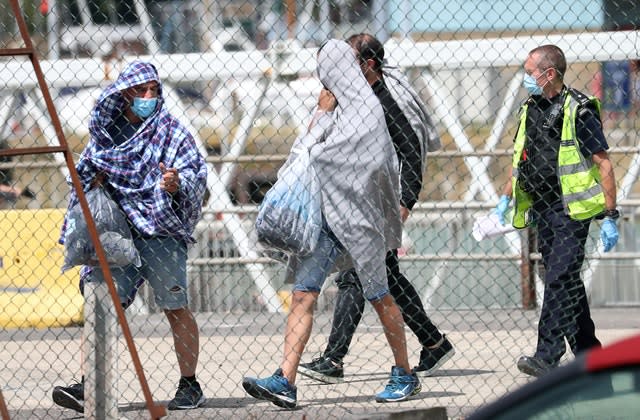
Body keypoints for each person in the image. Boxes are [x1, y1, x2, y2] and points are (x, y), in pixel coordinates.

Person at [242, 39, 420, 409]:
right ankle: (285, 380)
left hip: (360, 223)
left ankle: (404, 372)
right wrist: (321, 117)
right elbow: (304, 153)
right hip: (326, 220)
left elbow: (352, 160)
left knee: (379, 296)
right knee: (303, 294)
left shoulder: (369, 111)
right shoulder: (331, 108)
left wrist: (320, 138)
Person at [52, 60, 208, 412]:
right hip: (118, 231)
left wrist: (177, 183)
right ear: (124, 94)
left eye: (154, 90)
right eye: (141, 91)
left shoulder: (170, 131)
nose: (148, 97)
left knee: (174, 306)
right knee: (102, 303)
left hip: (160, 230)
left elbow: (195, 172)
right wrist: (92, 181)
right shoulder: (107, 133)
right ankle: (88, 385)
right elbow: (86, 171)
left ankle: (189, 384)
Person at [298, 33, 453, 384]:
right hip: (353, 202)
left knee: (357, 276)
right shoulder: (350, 97)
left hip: (376, 205)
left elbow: (411, 151)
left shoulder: (382, 101)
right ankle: (433, 341)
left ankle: (334, 359)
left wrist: (404, 204)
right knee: (385, 278)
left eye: (350, 63)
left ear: (368, 65)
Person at [494, 45, 619, 378]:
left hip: (571, 212)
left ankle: (546, 355)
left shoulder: (579, 111)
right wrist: (504, 200)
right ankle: (592, 361)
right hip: (542, 210)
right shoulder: (530, 108)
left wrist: (610, 214)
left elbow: (603, 163)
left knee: (559, 277)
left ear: (549, 74)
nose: (525, 77)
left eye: (529, 71)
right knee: (567, 284)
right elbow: (520, 161)